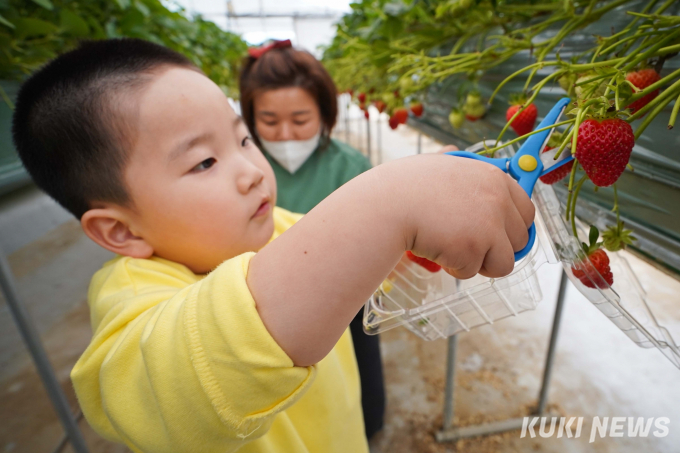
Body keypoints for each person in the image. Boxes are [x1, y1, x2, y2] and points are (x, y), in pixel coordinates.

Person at [11, 39, 534, 453]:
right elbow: (176, 397)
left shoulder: (280, 226)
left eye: (241, 141)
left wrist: (425, 221)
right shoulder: (135, 300)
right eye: (204, 162)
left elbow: (374, 265)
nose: (250, 170)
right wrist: (387, 201)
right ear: (122, 232)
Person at [239, 40, 384, 439]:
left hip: (346, 307)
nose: (285, 135)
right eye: (268, 121)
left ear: (325, 113)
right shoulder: (244, 173)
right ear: (249, 119)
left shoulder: (350, 166)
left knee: (360, 401)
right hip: (261, 312)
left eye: (300, 120)